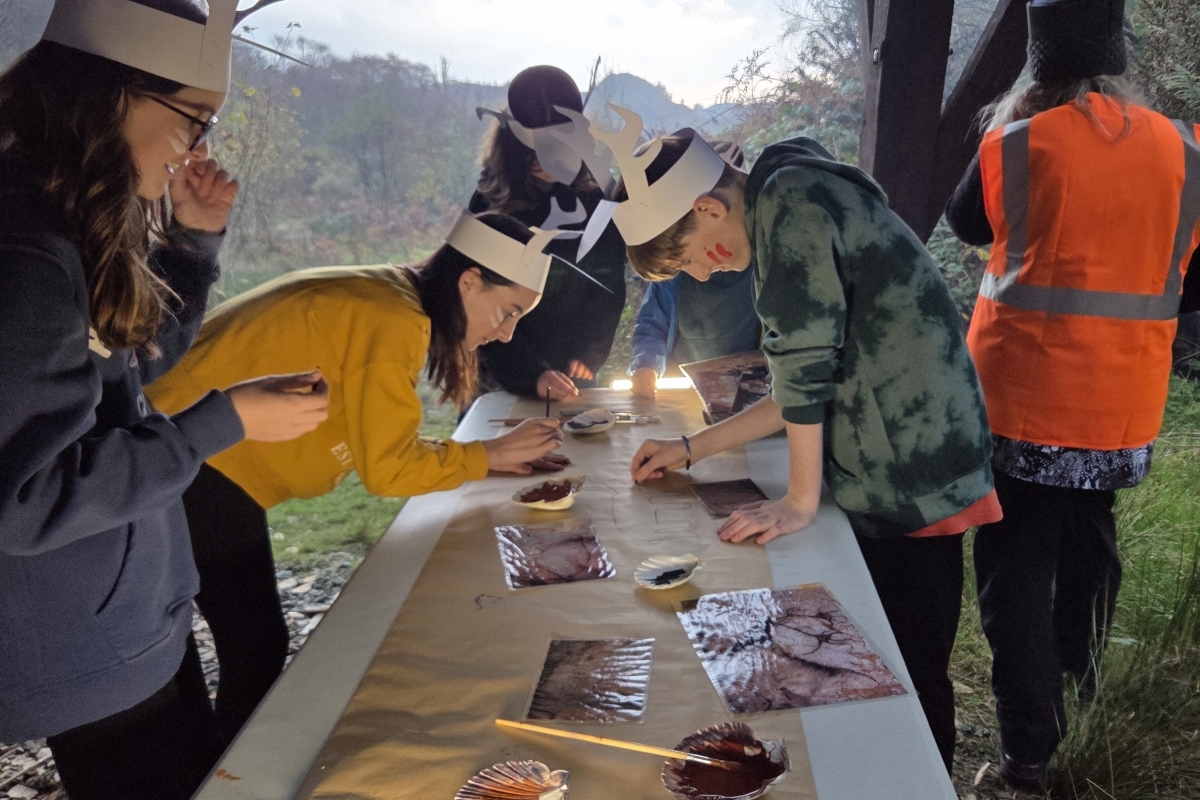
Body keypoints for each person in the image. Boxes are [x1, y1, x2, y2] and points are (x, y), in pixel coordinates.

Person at [602, 105, 1000, 771]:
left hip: (913, 466)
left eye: (691, 259)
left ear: (705, 209)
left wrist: (798, 499)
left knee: (909, 657)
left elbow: (806, 369)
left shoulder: (789, 211)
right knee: (878, 642)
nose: (704, 274)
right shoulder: (785, 187)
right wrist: (692, 448)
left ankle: (925, 778)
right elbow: (793, 384)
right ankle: (886, 768)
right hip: (902, 450)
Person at [0, 1, 330, 797]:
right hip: (85, 642)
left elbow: (130, 368)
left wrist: (192, 243)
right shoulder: (27, 254)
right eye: (193, 121)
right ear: (113, 94)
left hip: (130, 613)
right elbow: (28, 499)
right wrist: (223, 423)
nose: (195, 152)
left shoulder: (69, 220)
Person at [146, 211, 568, 741]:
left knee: (226, 641)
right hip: (195, 461)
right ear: (469, 281)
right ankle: (229, 773)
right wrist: (484, 457)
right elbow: (389, 469)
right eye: (507, 312)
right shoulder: (396, 319)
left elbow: (384, 442)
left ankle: (210, 764)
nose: (506, 335)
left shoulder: (390, 293)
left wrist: (487, 455)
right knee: (248, 645)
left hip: (185, 447)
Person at [944, 0, 1200, 789]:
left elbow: (965, 226)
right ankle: (1083, 700)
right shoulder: (1185, 149)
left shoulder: (1018, 141)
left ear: (1037, 59)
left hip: (1022, 400)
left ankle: (1029, 747)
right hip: (1122, 405)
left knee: (1016, 562)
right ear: (1117, 54)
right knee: (1091, 545)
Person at [470, 65, 627, 400]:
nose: (546, 157)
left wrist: (591, 353)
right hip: (501, 372)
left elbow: (609, 282)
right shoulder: (488, 201)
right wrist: (529, 373)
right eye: (534, 146)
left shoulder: (598, 196)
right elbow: (473, 301)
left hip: (574, 370)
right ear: (513, 144)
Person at [627, 142, 761, 399]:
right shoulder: (673, 273)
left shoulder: (764, 265)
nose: (701, 274)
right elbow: (652, 324)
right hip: (684, 391)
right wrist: (646, 363)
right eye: (682, 266)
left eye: (688, 260)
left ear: (711, 210)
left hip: (749, 391)